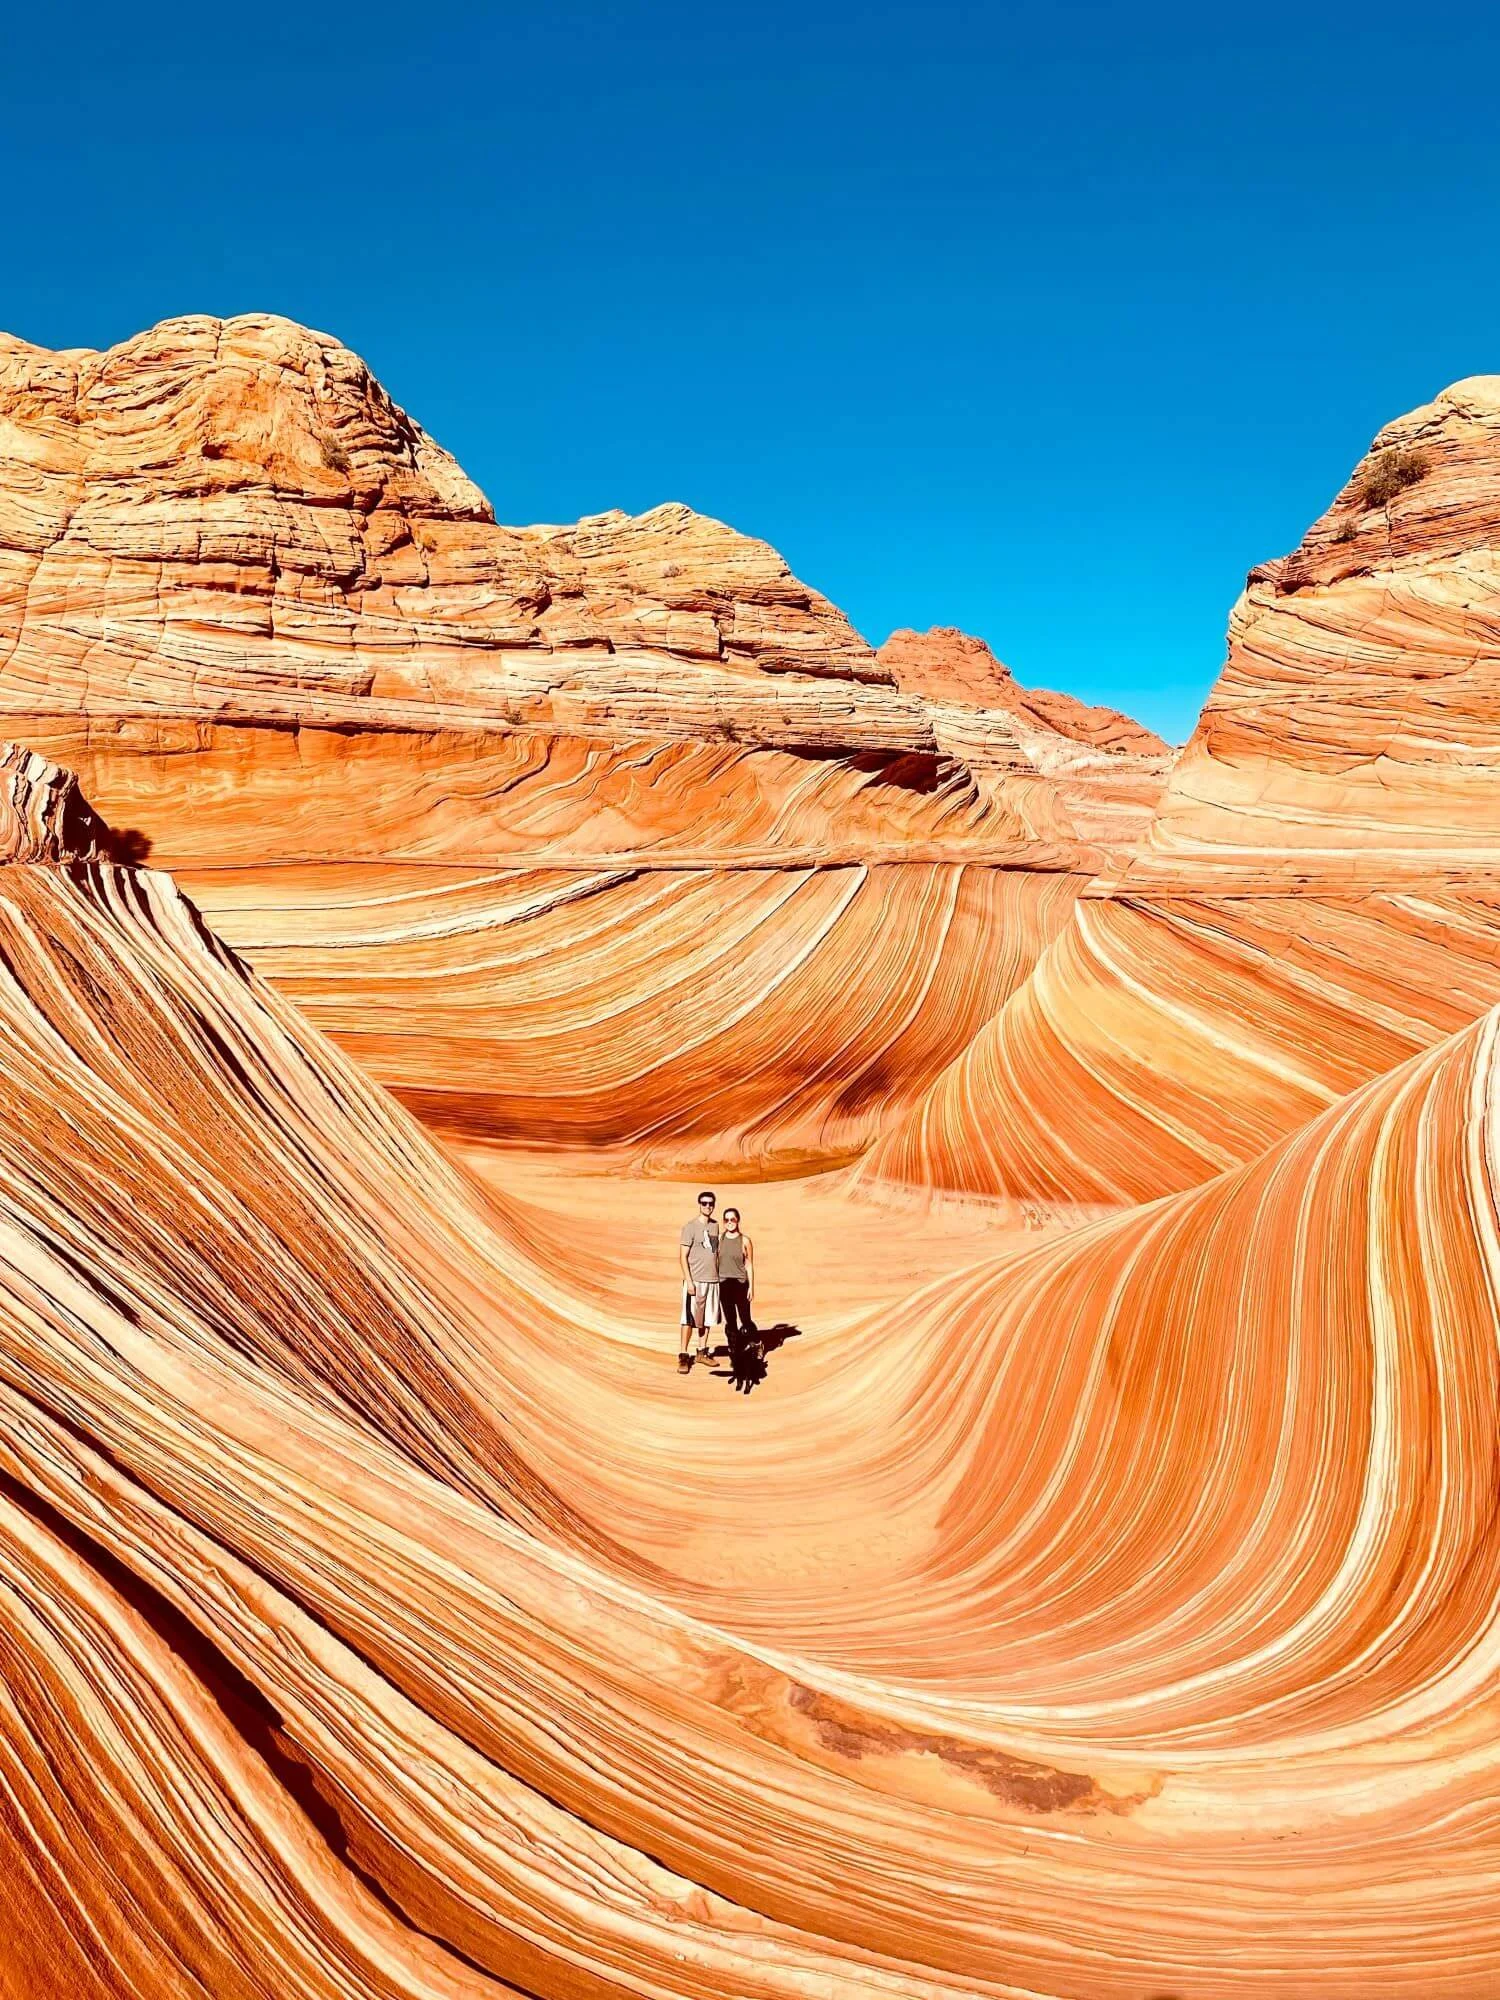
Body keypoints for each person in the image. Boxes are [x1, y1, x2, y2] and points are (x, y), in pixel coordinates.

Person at [717, 1207, 759, 1389]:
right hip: (724, 1285)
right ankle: (736, 1359)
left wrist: (751, 1286)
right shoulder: (720, 1239)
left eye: (733, 1219)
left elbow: (749, 1264)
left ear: (738, 1220)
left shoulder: (745, 1240)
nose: (729, 1223)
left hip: (740, 1285)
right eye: (726, 1220)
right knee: (731, 1324)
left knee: (745, 1320)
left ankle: (755, 1346)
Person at [678, 1190, 720, 1373]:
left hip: (712, 1280)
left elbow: (716, 1252)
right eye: (704, 1203)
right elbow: (682, 1256)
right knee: (689, 1318)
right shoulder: (690, 1227)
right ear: (699, 1204)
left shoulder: (716, 1226)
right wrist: (689, 1280)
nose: (708, 1206)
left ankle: (702, 1352)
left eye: (711, 1203)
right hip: (695, 1280)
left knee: (707, 1318)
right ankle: (683, 1355)